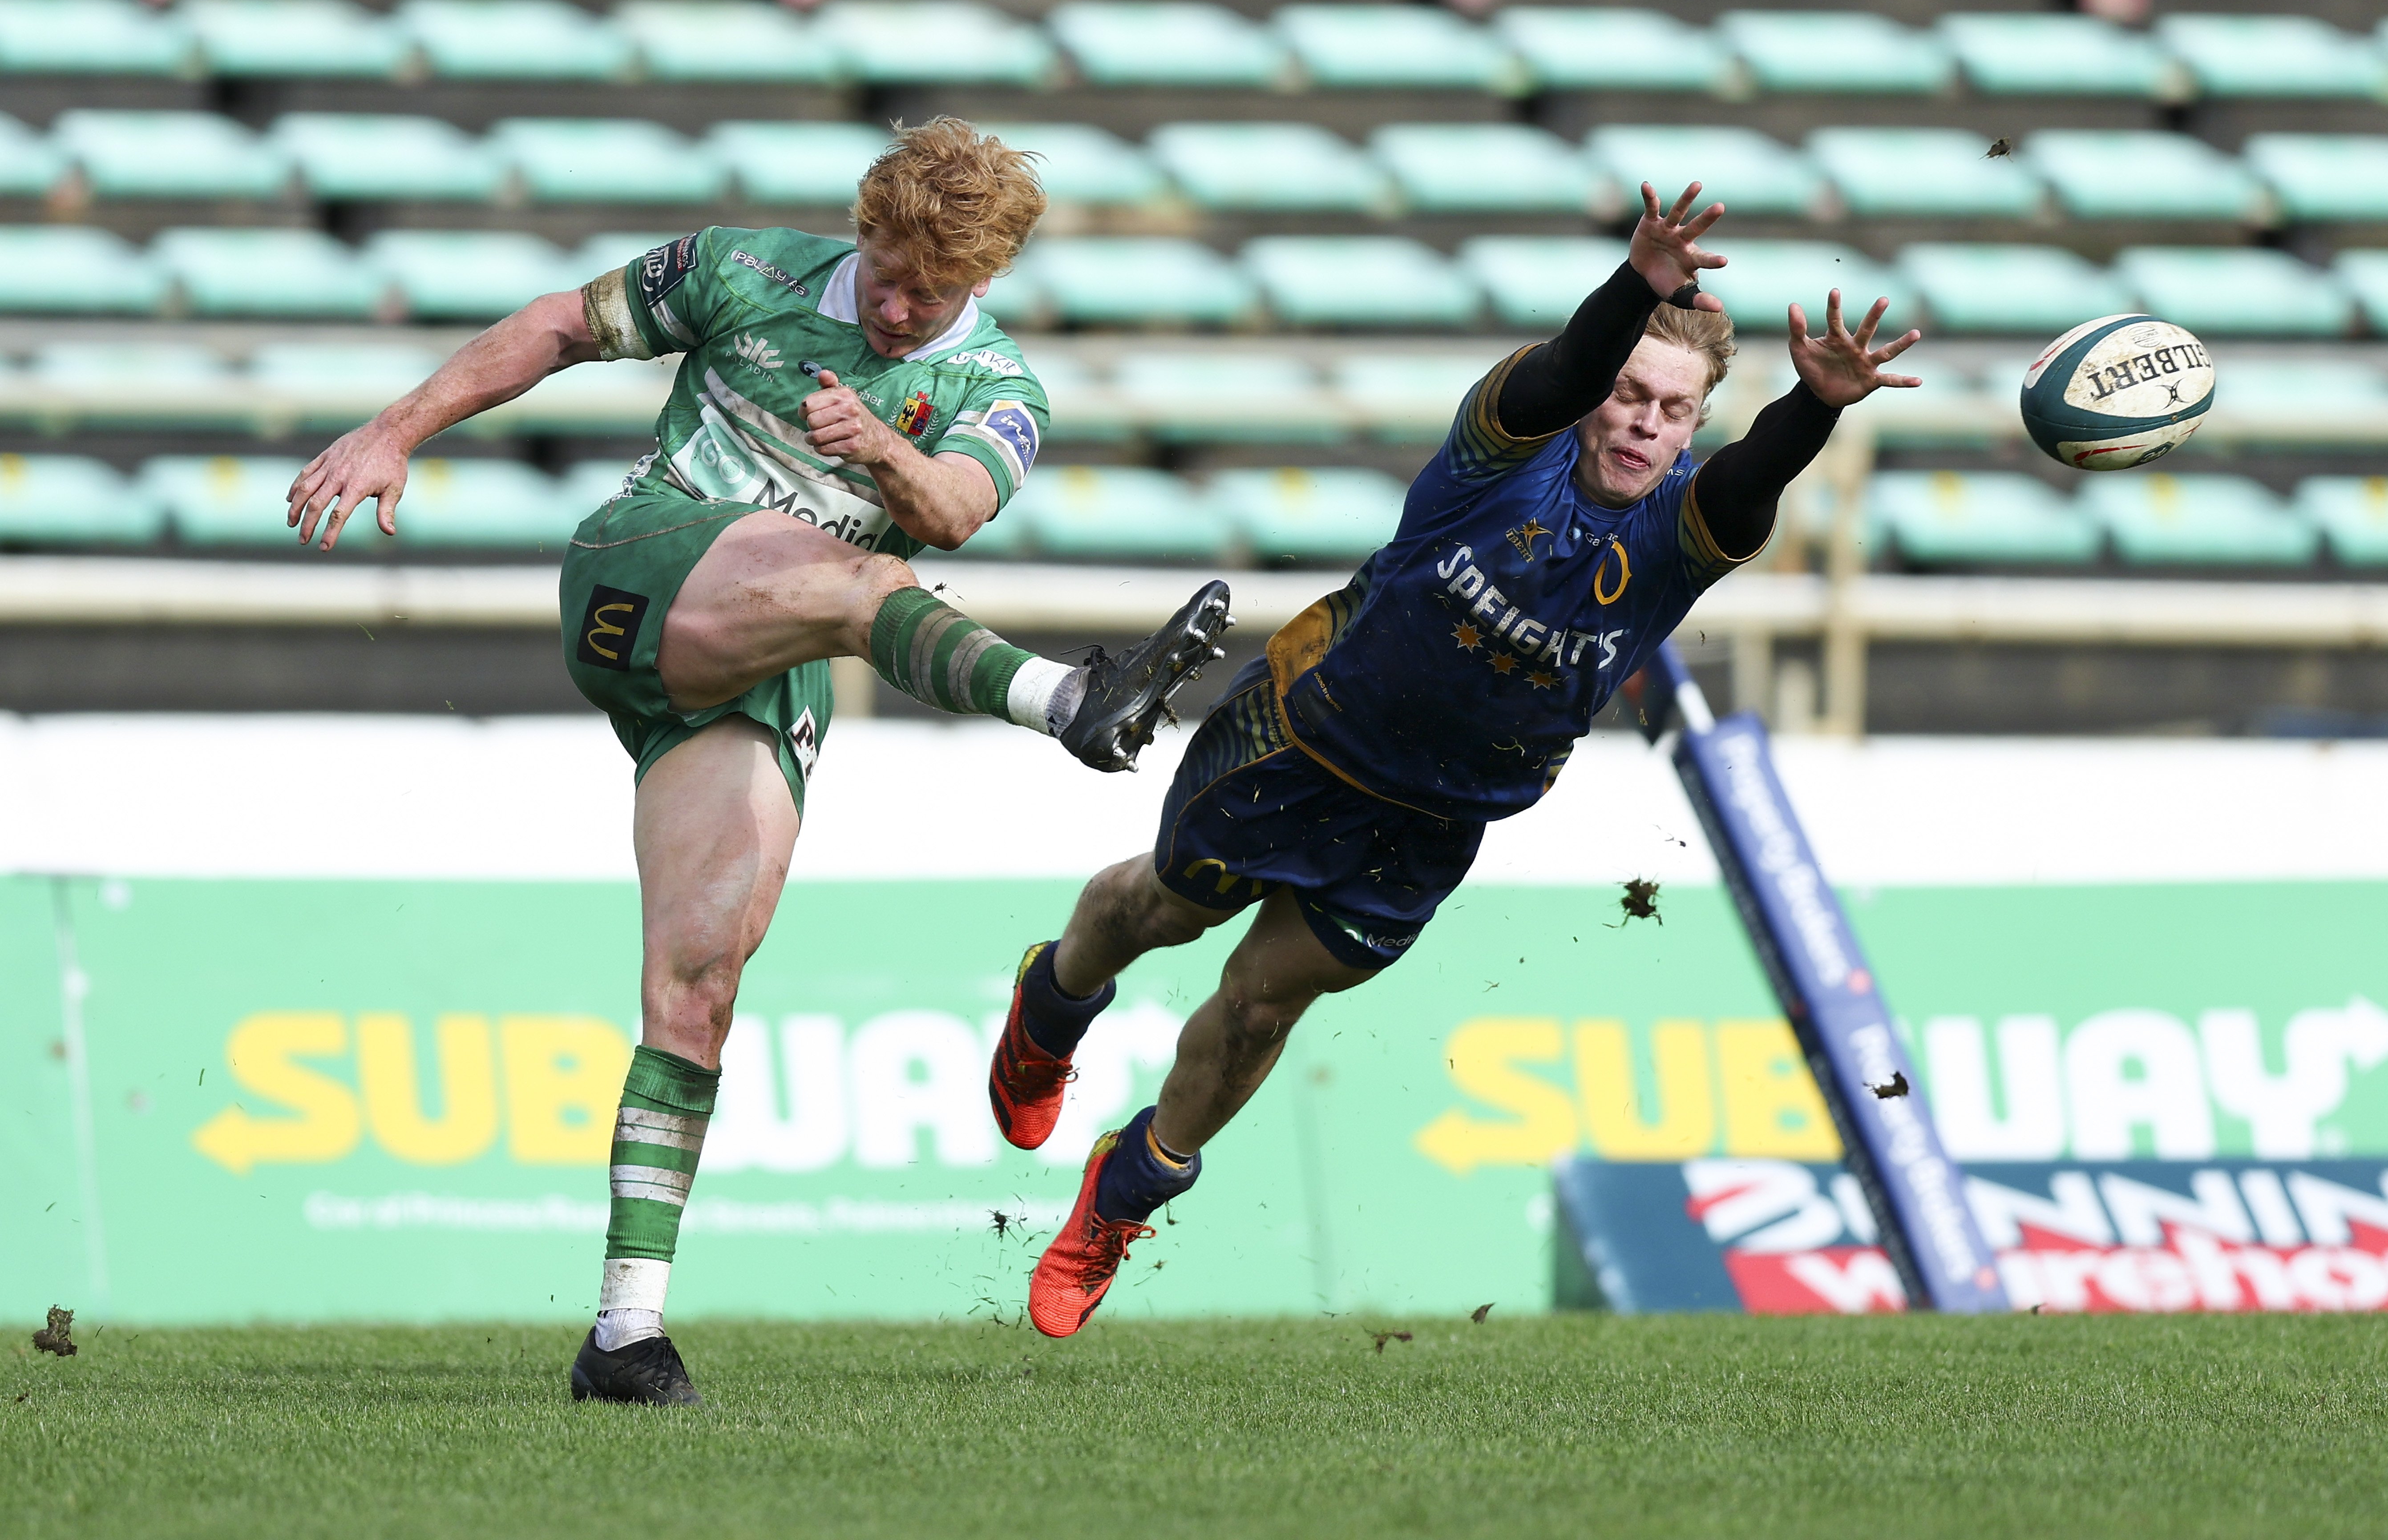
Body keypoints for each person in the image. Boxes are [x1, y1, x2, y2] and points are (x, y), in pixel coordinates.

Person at [285, 118, 1230, 1402]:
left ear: (986, 284)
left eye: (933, 294)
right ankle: (1072, 698)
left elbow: (957, 504)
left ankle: (625, 1332)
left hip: (762, 666)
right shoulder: (743, 272)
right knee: (864, 587)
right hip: (646, 562)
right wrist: (398, 428)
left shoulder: (1002, 390)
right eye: (888, 274)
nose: (901, 309)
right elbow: (564, 322)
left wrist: (883, 446)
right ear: (863, 231)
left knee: (700, 982)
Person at [982, 181, 1923, 1338]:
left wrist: (1813, 410)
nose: (1641, 420)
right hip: (1298, 738)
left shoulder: (1687, 528)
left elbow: (1751, 479)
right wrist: (1637, 285)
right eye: (1628, 392)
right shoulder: (1503, 450)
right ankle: (1054, 1002)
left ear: (1695, 424)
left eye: (1671, 409)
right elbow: (1563, 370)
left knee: (1262, 1011)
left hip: (1433, 819)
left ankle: (1129, 1190)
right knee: (1160, 909)